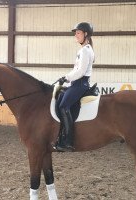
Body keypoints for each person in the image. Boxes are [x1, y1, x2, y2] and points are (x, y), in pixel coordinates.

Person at [55, 22, 95, 152]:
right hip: (77, 83)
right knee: (60, 97)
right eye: (75, 33)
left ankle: (68, 141)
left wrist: (65, 78)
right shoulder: (84, 49)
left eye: (78, 33)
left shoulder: (85, 51)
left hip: (80, 84)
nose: (76, 35)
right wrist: (65, 78)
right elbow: (76, 70)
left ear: (86, 34)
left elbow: (80, 72)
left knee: (63, 106)